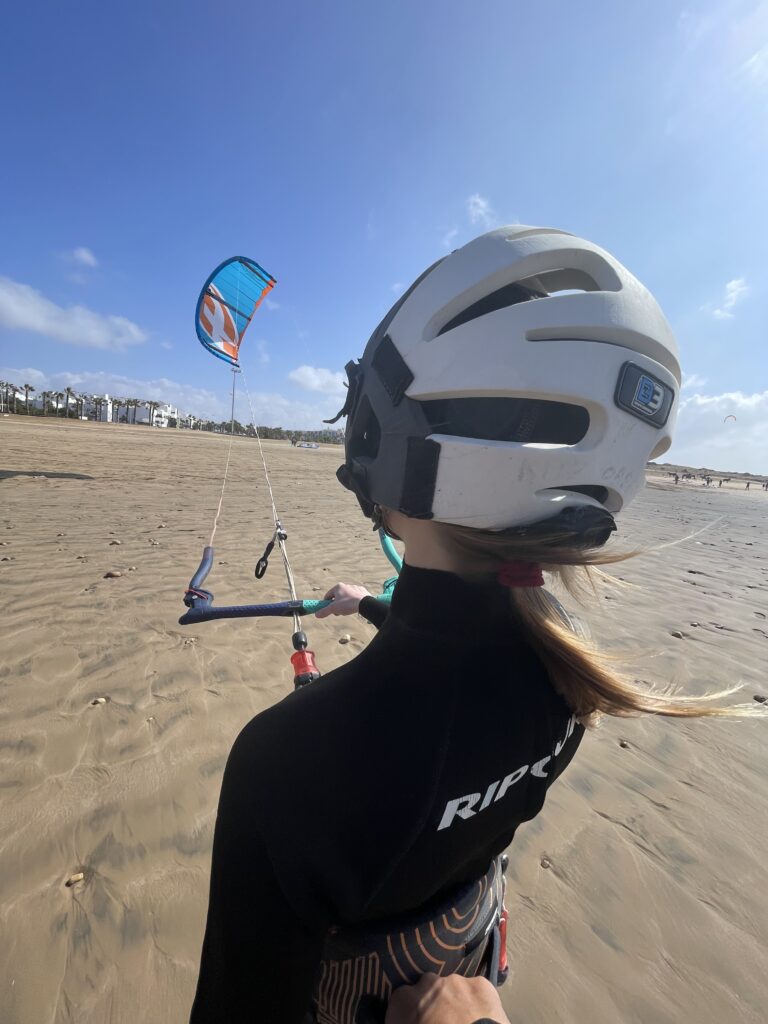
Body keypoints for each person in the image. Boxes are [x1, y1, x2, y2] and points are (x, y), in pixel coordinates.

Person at [190, 225, 744, 1024]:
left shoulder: (283, 762)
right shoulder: (568, 675)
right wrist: (377, 605)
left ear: (384, 444)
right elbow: (458, 696)